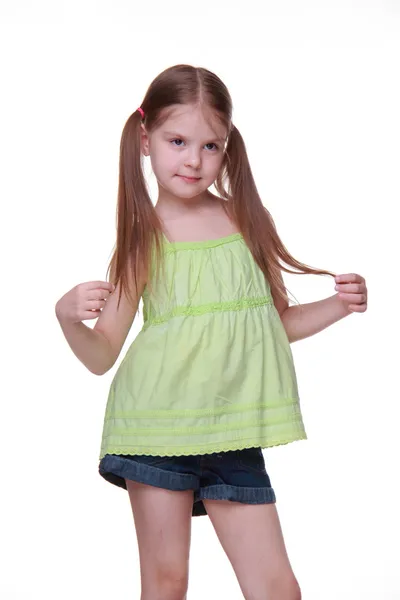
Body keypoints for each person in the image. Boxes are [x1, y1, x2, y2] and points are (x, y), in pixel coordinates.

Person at [55, 64, 368, 600]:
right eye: (178, 140)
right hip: (154, 431)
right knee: (166, 582)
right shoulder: (142, 240)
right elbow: (103, 353)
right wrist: (66, 316)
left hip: (233, 429)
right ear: (145, 138)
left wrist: (339, 307)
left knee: (275, 587)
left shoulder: (247, 222)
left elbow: (273, 326)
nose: (194, 160)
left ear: (228, 149)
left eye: (211, 146)